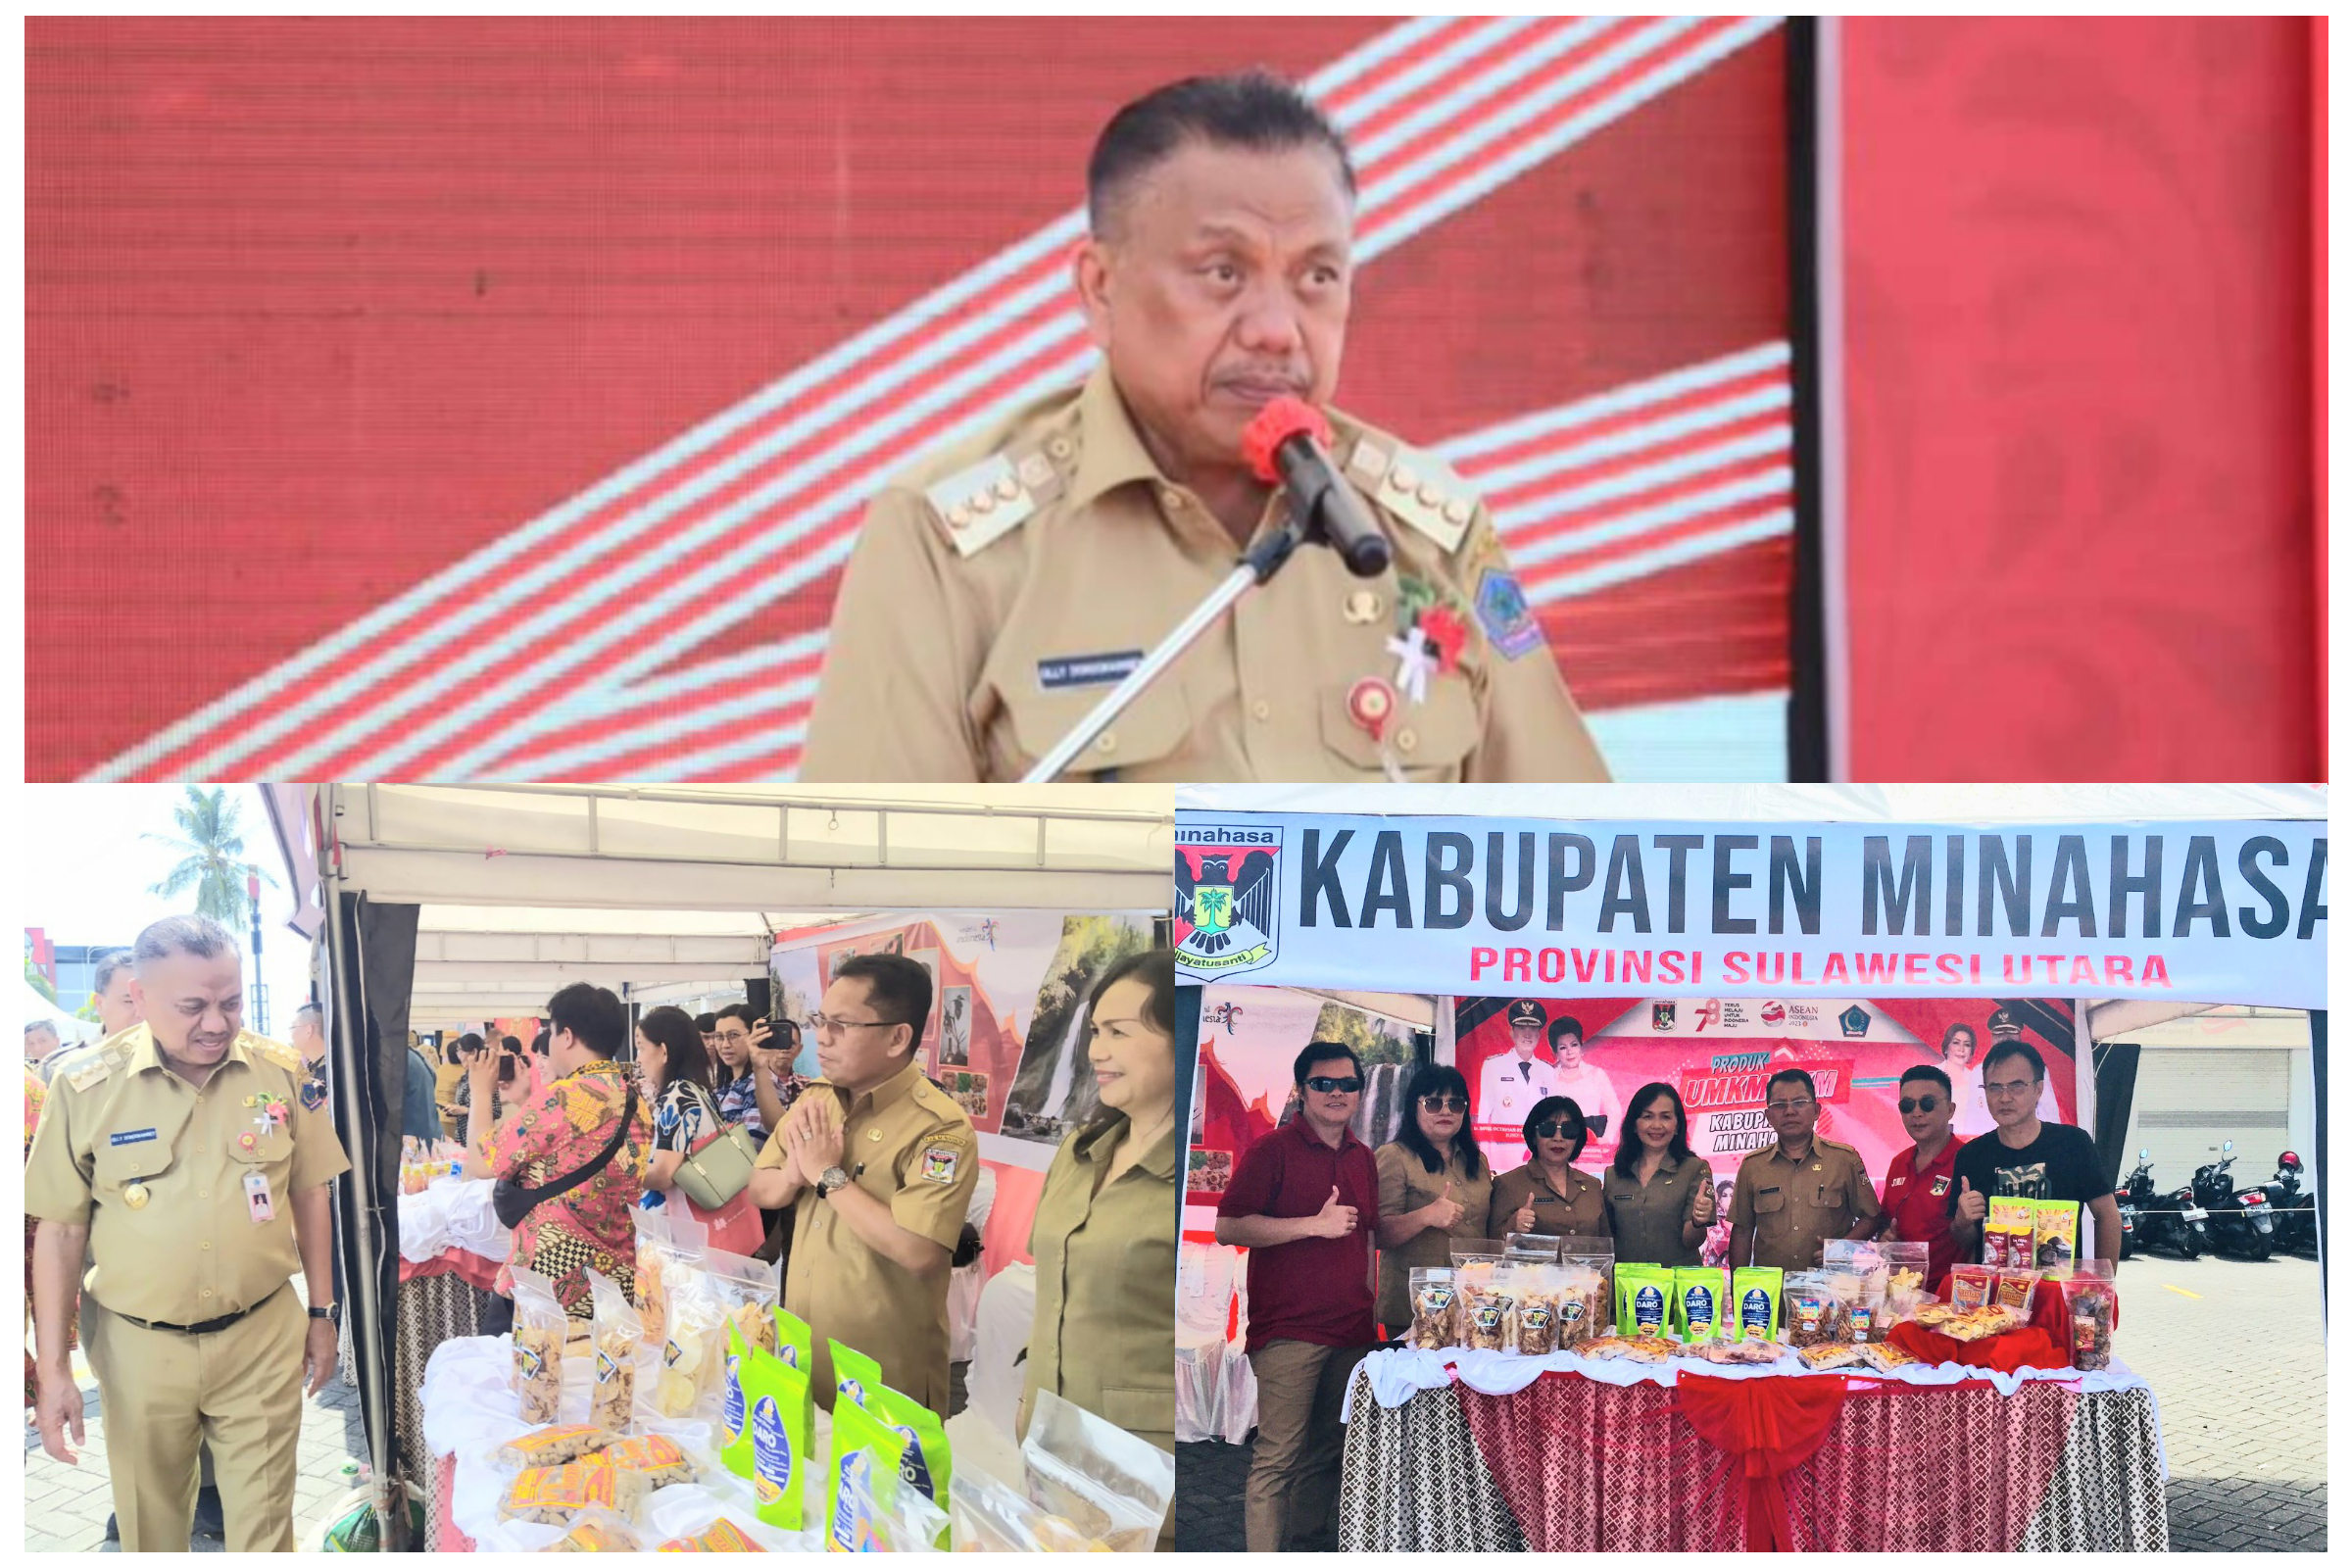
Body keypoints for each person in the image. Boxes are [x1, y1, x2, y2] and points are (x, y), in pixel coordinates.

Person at [799, 70, 1611, 784]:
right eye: (1223, 273)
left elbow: (1579, 882)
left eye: (1317, 277)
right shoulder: (950, 546)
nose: (1276, 329)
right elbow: (869, 919)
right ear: (1100, 286)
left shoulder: (1428, 537)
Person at [25, 914, 349, 1552]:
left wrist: (321, 1311)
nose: (216, 1022)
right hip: (137, 1346)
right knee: (153, 1532)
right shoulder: (84, 1085)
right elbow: (59, 1232)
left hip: (260, 1336)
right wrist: (56, 1372)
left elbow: (313, 1191)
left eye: (230, 1002)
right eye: (192, 1006)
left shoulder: (280, 1072)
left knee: (263, 1532)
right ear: (139, 999)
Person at [748, 955, 979, 1415]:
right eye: (820, 1020)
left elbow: (919, 1251)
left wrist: (827, 1177)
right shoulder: (817, 1100)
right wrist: (795, 1174)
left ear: (898, 1037)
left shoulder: (939, 1129)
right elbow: (761, 1188)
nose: (822, 1037)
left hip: (882, 1381)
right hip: (803, 1361)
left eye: (841, 1024)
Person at [1021, 950, 1178, 1544]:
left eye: (1119, 1032)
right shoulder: (1080, 1151)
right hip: (1049, 1442)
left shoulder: (1194, 1175)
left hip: (1142, 1465)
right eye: (1094, 1032)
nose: (1095, 1051)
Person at [1213, 1039, 1378, 1553]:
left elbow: (1367, 1235)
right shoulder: (1272, 1150)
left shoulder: (1363, 1157)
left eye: (1347, 1084)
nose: (1335, 1092)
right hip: (1288, 1332)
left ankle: (1306, 1547)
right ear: (1301, 1090)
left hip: (1351, 1329)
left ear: (1358, 1092)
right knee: (1278, 1457)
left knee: (1329, 1452)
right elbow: (1228, 1227)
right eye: (1322, 1083)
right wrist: (1313, 1225)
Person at [463, 984, 652, 1317]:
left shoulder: (562, 1098)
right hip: (614, 1281)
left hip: (550, 1280)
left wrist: (480, 1091)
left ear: (566, 1035)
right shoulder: (634, 1098)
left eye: (549, 1032)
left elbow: (480, 1164)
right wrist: (525, 1099)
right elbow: (565, 1155)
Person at [1949, 1040, 2121, 1266]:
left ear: (2038, 1089)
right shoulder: (1971, 1155)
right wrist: (1962, 1222)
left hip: (2056, 1292)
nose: (2004, 1097)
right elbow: (1966, 1242)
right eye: (1994, 1087)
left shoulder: (2073, 1143)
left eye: (2016, 1086)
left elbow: (2108, 1216)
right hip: (1997, 1294)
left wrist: (2102, 1284)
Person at [634, 1004, 764, 1255]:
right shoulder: (699, 1090)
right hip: (706, 1223)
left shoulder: (677, 1095)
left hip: (681, 1235)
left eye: (641, 1047)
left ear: (663, 1051)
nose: (638, 1058)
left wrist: (620, 1176)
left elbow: (663, 1174)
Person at [1371, 1064, 1491, 1335]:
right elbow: (1377, 1234)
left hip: (1473, 1304)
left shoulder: (1477, 1161)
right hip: (1415, 1308)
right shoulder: (1394, 1156)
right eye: (1434, 1103)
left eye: (1456, 1103)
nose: (1446, 1111)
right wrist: (1426, 1216)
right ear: (1414, 1107)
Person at [1727, 1068, 1882, 1273]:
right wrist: (1741, 1291)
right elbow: (1742, 1232)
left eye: (1799, 1103)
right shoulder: (1753, 1166)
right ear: (1768, 1116)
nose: (1790, 1111)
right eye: (1780, 1105)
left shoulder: (1844, 1160)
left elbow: (1872, 1216)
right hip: (1772, 1296)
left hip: (1828, 1292)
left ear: (1817, 1110)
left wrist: (1841, 1249)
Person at [1876, 1064, 1968, 1290]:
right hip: (1900, 1293)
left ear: (1950, 1109)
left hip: (1950, 1296)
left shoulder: (1968, 1160)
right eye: (1907, 1106)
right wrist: (1886, 1238)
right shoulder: (1898, 1163)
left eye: (1927, 1104)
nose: (1916, 1113)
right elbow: (1887, 1221)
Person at [1602, 1083, 1715, 1266]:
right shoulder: (1613, 1174)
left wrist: (1698, 1221)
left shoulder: (1696, 1169)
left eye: (1665, 1117)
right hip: (1628, 1286)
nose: (1656, 1125)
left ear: (1677, 1125)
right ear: (1633, 1125)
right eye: (1647, 1117)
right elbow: (1607, 1237)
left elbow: (1691, 1241)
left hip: (1678, 1287)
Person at [1489, 1096, 1607, 1239]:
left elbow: (1606, 1245)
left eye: (1568, 1130)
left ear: (1578, 1138)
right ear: (1533, 1135)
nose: (1558, 1138)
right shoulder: (1507, 1184)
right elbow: (1491, 1247)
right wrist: (1511, 1227)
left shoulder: (1592, 1186)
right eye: (1548, 1129)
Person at [711, 1003, 792, 1150]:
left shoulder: (762, 1084)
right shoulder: (722, 1086)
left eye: (733, 1035)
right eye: (719, 1037)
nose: (725, 1044)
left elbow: (753, 1144)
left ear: (755, 1036)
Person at [1478, 1000, 1556, 1128]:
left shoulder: (1548, 1070)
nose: (1527, 1035)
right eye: (1521, 1028)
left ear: (1539, 1034)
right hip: (1504, 1146)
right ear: (1512, 1033)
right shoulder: (1493, 1066)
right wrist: (1483, 1148)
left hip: (1537, 1145)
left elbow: (1552, 1114)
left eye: (1532, 1028)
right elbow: (1484, 1114)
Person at [1546, 1014, 1622, 1145]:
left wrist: (1606, 1139)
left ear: (1581, 1047)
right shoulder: (1548, 1077)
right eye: (1563, 1047)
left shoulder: (1596, 1074)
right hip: (1559, 1141)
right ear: (1555, 1053)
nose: (1570, 1052)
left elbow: (1615, 1110)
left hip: (1593, 1140)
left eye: (1574, 1045)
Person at [287, 1002, 329, 1110]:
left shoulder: (331, 1072)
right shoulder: (313, 1069)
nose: (291, 1035)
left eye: (293, 1027)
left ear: (308, 1030)